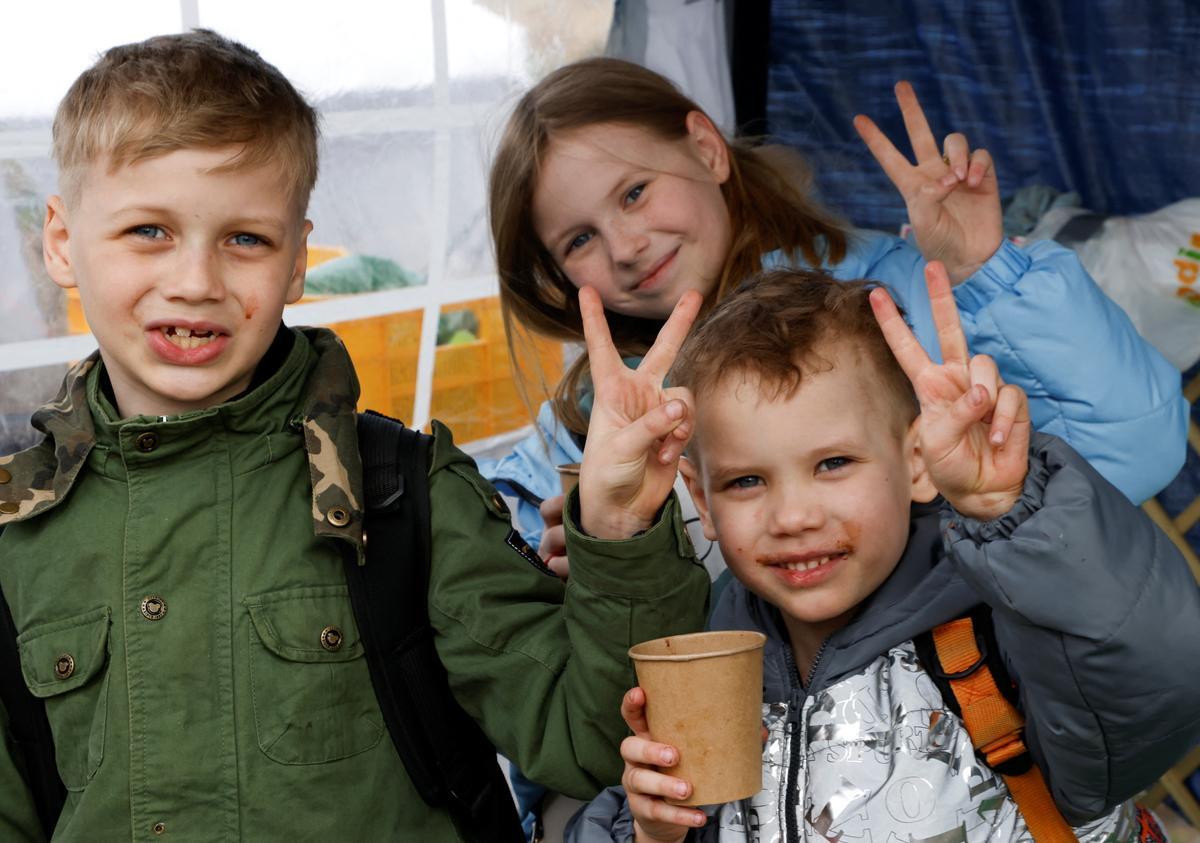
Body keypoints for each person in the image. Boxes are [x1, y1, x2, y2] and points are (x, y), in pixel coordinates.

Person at [0, 31, 712, 840]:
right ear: (60, 242)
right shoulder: (14, 539)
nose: (195, 282)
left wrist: (620, 527)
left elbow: (589, 741)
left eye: (245, 239)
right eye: (148, 232)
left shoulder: (405, 494)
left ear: (298, 261)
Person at [481, 57, 1187, 578]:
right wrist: (598, 555)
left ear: (704, 148)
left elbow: (1136, 443)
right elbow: (503, 574)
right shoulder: (594, 412)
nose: (626, 248)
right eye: (580, 240)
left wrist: (987, 268)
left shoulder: (899, 299)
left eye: (634, 193)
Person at [566, 266, 1200, 843]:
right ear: (702, 499)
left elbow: (1159, 672)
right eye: (746, 481)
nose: (793, 517)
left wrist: (1010, 508)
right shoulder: (714, 678)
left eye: (834, 463)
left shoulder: (1002, 638)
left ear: (917, 461)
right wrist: (654, 832)